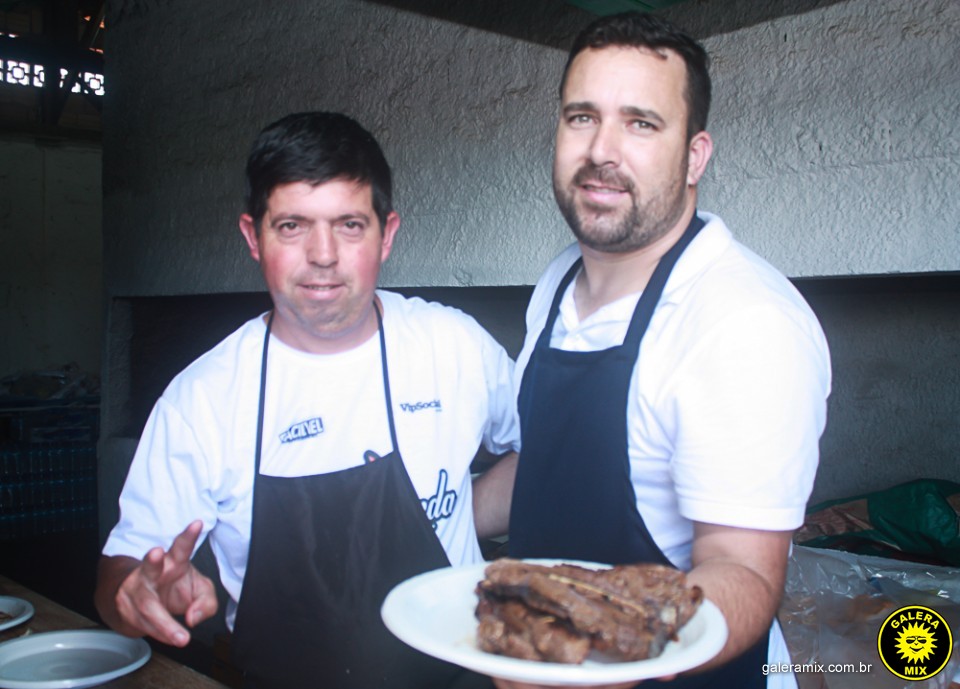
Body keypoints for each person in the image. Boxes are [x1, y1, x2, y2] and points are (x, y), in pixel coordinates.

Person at [95, 111, 519, 689]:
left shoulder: (453, 346)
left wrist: (459, 510)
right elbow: (118, 575)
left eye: (349, 225)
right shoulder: (204, 398)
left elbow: (545, 448)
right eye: (293, 226)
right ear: (254, 237)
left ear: (387, 234)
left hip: (464, 677)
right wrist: (136, 593)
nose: (323, 254)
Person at [480, 12, 831, 689]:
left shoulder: (742, 321)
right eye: (582, 117)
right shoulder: (559, 280)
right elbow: (550, 459)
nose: (601, 150)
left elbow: (745, 573)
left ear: (695, 155)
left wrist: (595, 657)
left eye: (641, 123)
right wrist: (440, 520)